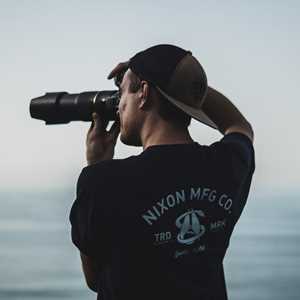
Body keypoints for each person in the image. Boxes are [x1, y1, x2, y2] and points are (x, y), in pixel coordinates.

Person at [69, 44, 255, 300]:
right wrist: (184, 86)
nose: (119, 106)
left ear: (144, 93)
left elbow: (95, 279)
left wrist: (96, 164)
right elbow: (238, 125)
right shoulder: (227, 165)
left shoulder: (102, 181)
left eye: (122, 93)